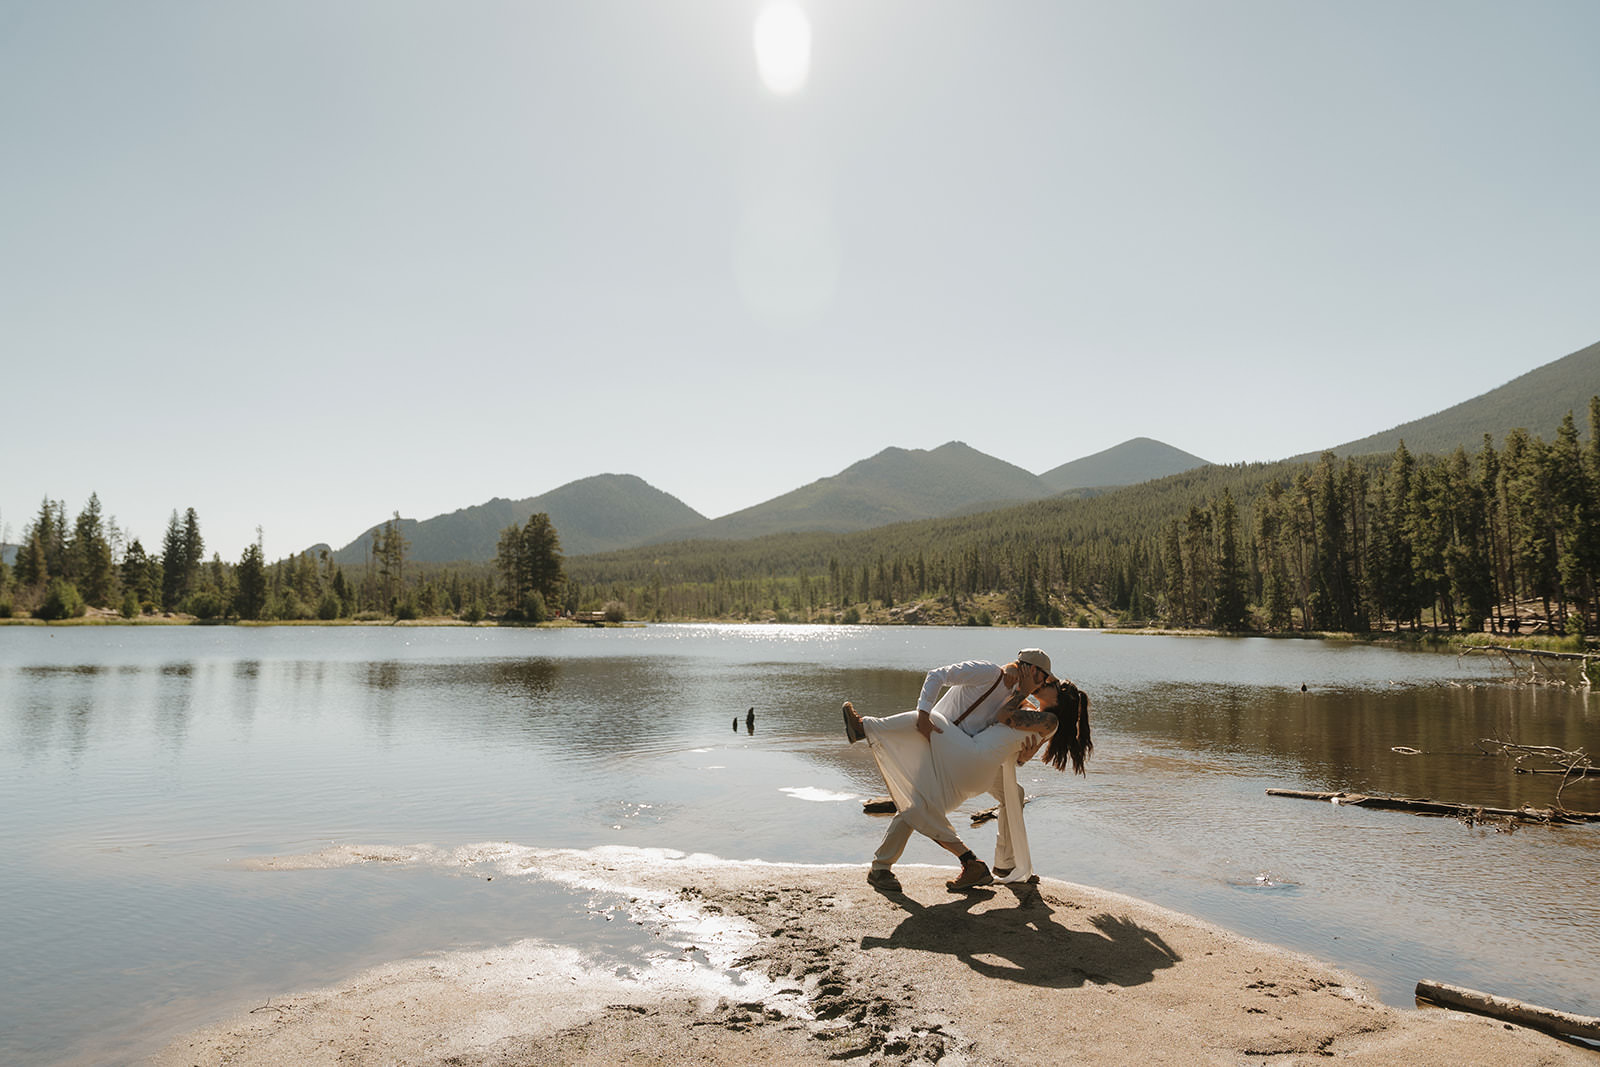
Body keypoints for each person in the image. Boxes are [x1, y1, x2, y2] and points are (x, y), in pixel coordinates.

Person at [843, 650, 1092, 891]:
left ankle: (865, 727)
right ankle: (993, 864)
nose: (1043, 683)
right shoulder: (1016, 696)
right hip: (970, 758)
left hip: (972, 756)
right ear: (1028, 668)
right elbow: (1019, 754)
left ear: (1058, 699)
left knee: (934, 721)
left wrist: (1023, 702)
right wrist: (1018, 691)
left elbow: (1006, 719)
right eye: (1044, 677)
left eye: (1048, 683)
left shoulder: (1047, 719)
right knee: (925, 802)